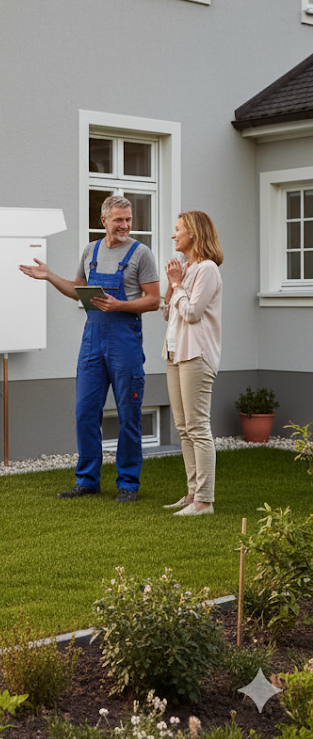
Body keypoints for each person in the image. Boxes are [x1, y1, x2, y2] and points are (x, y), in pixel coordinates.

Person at [19, 195, 160, 502]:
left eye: (128, 220)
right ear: (104, 221)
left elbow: (153, 300)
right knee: (85, 412)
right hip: (92, 341)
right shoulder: (90, 251)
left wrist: (120, 305)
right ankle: (87, 480)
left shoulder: (141, 254)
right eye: (119, 220)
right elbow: (77, 291)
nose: (125, 225)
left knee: (128, 413)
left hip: (125, 341)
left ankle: (128, 484)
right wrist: (50, 276)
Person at [161, 211, 224, 517]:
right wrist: (173, 284)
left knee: (198, 427)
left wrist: (177, 284)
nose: (174, 235)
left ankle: (205, 501)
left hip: (196, 354)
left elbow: (192, 313)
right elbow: (167, 313)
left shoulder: (208, 269)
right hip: (175, 353)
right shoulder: (186, 269)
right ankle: (191, 494)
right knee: (184, 427)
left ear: (194, 234)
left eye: (178, 230)